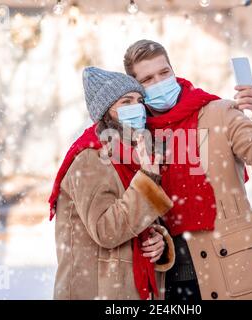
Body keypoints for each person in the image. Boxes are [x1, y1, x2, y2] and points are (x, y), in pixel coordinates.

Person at [123, 39, 252, 300]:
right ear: (137, 88)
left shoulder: (219, 113)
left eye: (164, 72)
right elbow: (139, 207)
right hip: (170, 280)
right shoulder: (136, 135)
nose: (159, 82)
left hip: (237, 269)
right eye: (147, 79)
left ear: (173, 70)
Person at [49, 67, 176, 300]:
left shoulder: (130, 157)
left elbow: (132, 217)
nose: (137, 108)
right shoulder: (89, 158)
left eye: (139, 101)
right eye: (126, 102)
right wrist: (148, 179)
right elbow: (106, 230)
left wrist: (157, 239)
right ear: (106, 113)